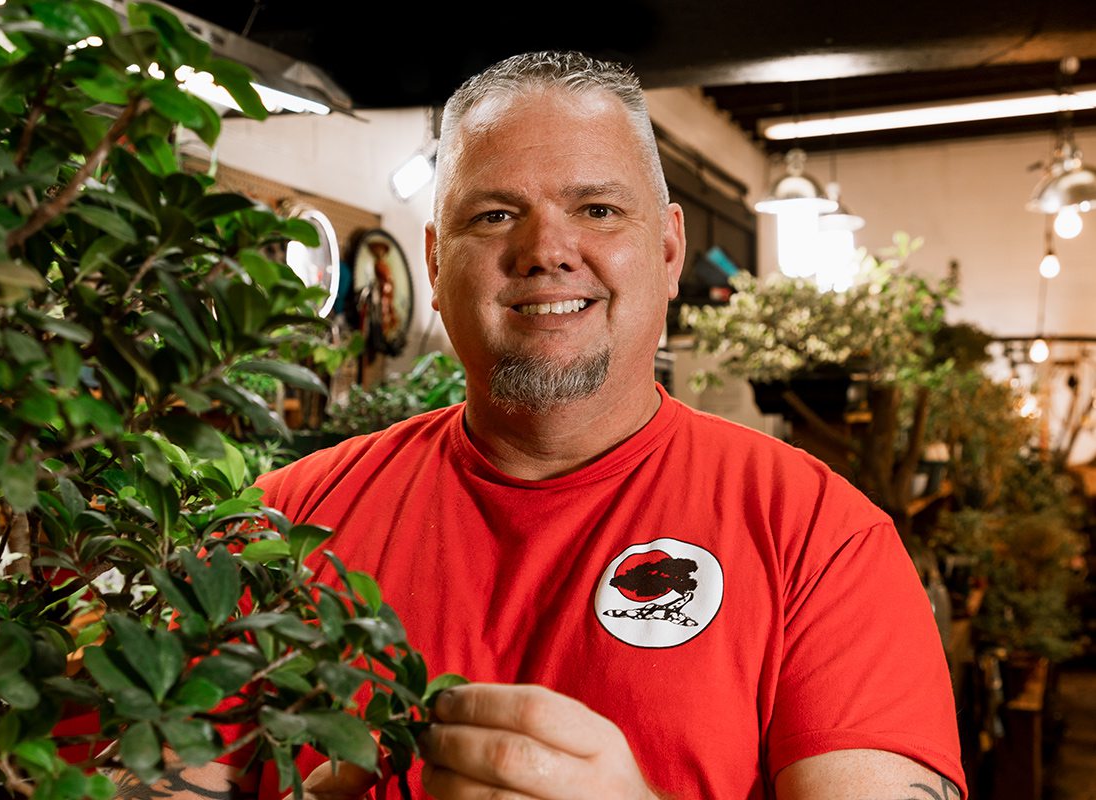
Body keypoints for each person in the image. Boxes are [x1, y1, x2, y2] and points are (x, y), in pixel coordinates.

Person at [142, 51, 966, 799]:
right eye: (495, 215)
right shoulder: (280, 523)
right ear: (433, 263)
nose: (547, 250)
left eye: (600, 209)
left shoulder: (821, 539)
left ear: (671, 252)